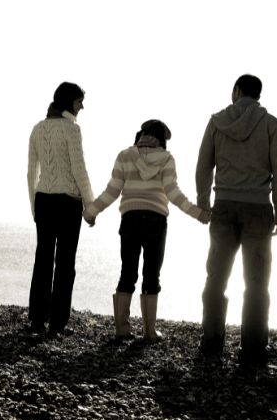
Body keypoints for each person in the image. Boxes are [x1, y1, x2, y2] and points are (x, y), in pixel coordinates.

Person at [83, 120, 210, 342]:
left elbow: (112, 190)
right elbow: (173, 193)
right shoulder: (167, 159)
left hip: (130, 218)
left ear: (142, 134)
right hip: (155, 220)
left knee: (127, 272)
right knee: (152, 274)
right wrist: (197, 213)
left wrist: (91, 211)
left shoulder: (125, 155)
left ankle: (122, 329)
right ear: (161, 138)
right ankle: (149, 332)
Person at [195, 74, 277, 367]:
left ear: (237, 91)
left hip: (223, 205)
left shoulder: (216, 122)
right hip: (258, 208)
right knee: (257, 281)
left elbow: (203, 165)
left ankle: (211, 341)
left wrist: (203, 201)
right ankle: (252, 347)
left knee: (216, 277)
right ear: (258, 95)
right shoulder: (272, 124)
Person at [27, 82, 94, 338]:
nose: (82, 106)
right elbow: (79, 169)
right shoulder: (72, 129)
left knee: (42, 259)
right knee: (65, 262)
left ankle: (36, 319)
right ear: (69, 102)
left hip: (43, 200)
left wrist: (34, 206)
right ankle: (57, 323)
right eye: (79, 101)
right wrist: (90, 204)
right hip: (68, 201)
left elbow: (31, 172)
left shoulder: (38, 129)